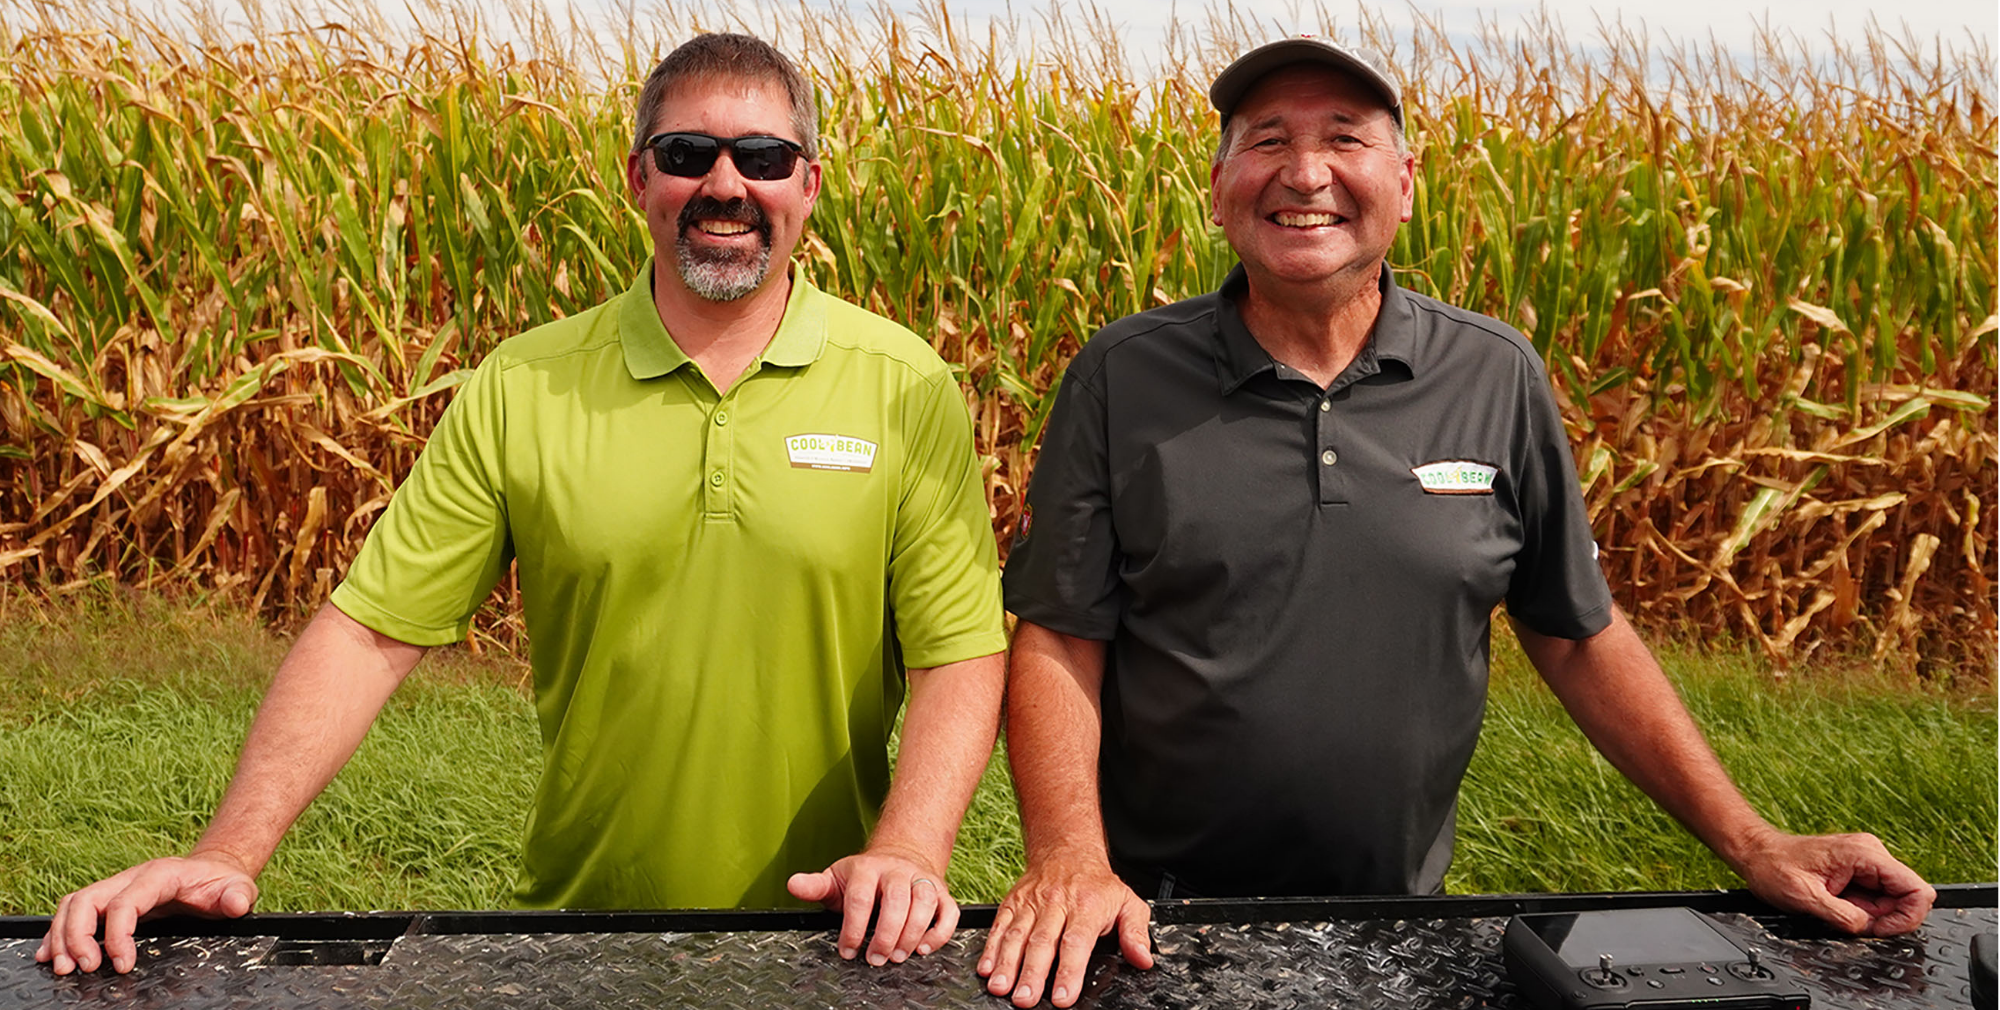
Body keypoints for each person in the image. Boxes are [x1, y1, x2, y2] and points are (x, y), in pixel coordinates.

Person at [977, 36, 1936, 1009]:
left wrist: (1752, 838)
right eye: (1266, 141)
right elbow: (1059, 629)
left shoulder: (1492, 374)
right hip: (1148, 921)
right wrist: (1067, 858)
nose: (1303, 173)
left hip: (1404, 922)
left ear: (1400, 180)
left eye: (1342, 139)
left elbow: (1576, 631)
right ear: (1221, 182)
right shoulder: (1122, 374)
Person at [38, 32, 1007, 977]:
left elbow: (955, 647)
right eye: (685, 154)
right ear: (638, 180)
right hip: (581, 945)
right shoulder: (527, 385)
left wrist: (912, 849)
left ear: (808, 184)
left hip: (837, 938)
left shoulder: (902, 386)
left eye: (760, 156)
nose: (723, 186)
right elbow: (370, 631)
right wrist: (226, 851)